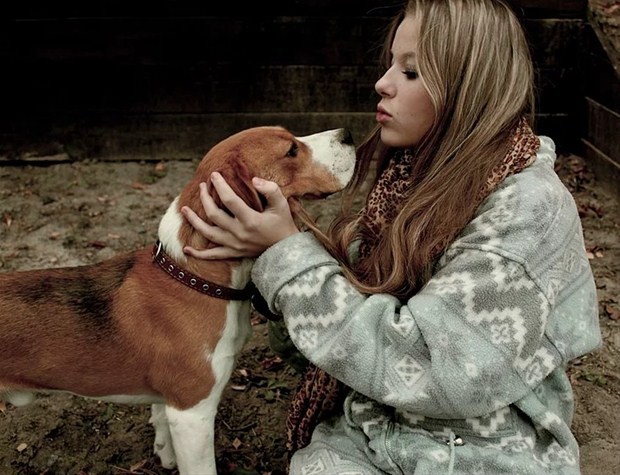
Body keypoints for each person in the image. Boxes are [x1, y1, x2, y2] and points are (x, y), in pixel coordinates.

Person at [181, 0, 602, 473]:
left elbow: (437, 370)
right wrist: (267, 253)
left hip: (491, 450)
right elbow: (331, 323)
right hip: (373, 427)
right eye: (390, 65)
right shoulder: (415, 180)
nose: (382, 82)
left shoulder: (527, 211)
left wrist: (288, 258)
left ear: (470, 91)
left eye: (412, 71)